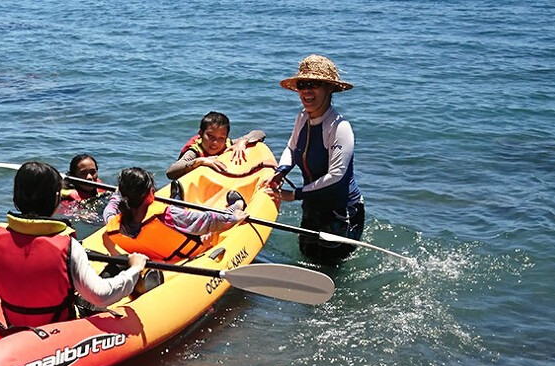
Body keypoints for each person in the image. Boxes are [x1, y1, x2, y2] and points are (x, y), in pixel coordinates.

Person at [0, 161, 148, 328]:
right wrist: (134, 269)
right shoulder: (68, 246)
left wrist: (25, 276)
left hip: (14, 323)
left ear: (15, 197)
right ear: (56, 198)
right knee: (123, 262)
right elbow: (101, 296)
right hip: (60, 329)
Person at [264, 54, 365, 265]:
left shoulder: (339, 127)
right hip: (312, 205)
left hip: (341, 214)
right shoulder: (302, 117)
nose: (307, 91)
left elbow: (336, 176)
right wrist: (281, 171)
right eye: (302, 85)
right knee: (306, 258)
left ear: (329, 88)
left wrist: (295, 194)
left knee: (330, 268)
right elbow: (292, 148)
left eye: (315, 84)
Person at [103, 167, 248, 261]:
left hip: (156, 255)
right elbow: (209, 220)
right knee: (210, 219)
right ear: (150, 193)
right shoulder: (168, 215)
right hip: (187, 254)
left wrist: (117, 195)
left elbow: (110, 208)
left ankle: (177, 198)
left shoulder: (113, 222)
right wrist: (234, 217)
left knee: (178, 211)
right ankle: (238, 204)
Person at [166, 111, 266, 181]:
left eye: (221, 138)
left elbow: (259, 133)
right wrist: (199, 161)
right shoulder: (194, 152)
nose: (215, 142)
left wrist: (242, 142)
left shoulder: (228, 144)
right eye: (210, 136)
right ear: (201, 133)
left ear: (226, 137)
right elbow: (170, 172)